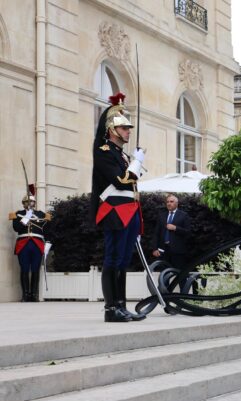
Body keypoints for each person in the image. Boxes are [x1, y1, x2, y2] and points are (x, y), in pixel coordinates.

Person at [90, 92, 146, 322]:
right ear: (113, 130)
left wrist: (133, 162)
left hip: (129, 211)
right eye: (124, 128)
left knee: (123, 260)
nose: (128, 131)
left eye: (128, 128)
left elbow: (132, 182)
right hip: (114, 212)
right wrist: (137, 162)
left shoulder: (120, 155)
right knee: (113, 259)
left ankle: (121, 306)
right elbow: (120, 181)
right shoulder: (104, 152)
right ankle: (111, 309)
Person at [10, 189, 50, 302]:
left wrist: (47, 243)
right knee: (24, 269)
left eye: (31, 202)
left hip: (37, 244)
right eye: (27, 202)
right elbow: (16, 228)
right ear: (23, 204)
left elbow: (47, 230)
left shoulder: (41, 214)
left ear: (34, 203)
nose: (29, 204)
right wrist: (26, 217)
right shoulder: (18, 214)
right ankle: (25, 295)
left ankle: (34, 295)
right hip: (23, 244)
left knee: (36, 270)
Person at [152, 193, 191, 270]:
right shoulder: (162, 215)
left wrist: (175, 228)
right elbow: (156, 233)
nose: (169, 203)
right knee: (164, 275)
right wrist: (155, 248)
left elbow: (188, 232)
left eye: (171, 201)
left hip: (178, 251)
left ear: (177, 203)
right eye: (167, 202)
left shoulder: (183, 215)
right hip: (163, 251)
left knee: (179, 274)